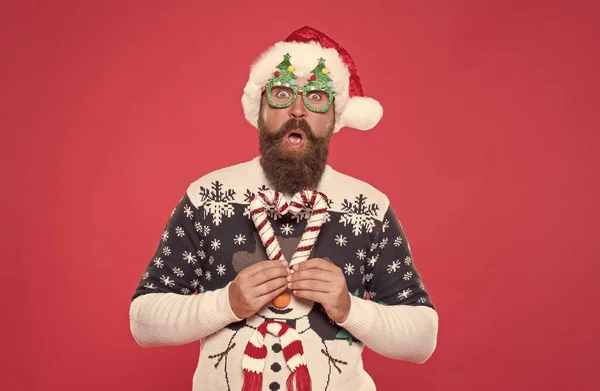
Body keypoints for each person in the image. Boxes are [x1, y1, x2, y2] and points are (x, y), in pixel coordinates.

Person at [129, 26, 439, 391]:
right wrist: (226, 304)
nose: (297, 110)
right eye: (281, 94)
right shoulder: (207, 197)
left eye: (317, 98)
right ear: (259, 108)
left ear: (334, 116)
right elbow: (142, 322)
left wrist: (349, 309)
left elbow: (422, 340)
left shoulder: (368, 207)